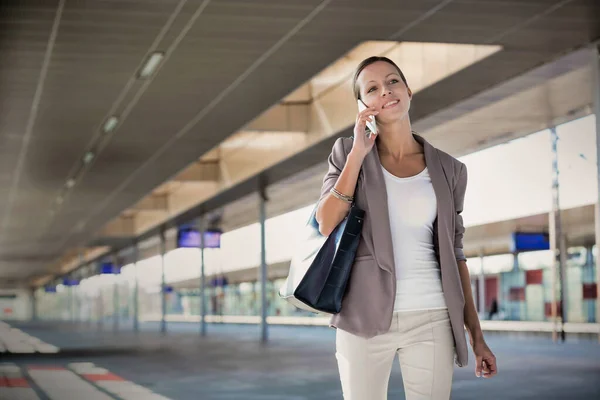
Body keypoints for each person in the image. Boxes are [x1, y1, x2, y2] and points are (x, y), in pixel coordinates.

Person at [315, 56, 497, 400]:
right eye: (372, 88)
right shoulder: (345, 153)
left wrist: (476, 336)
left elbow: (456, 255)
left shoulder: (450, 170)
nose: (386, 91)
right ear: (363, 105)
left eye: (393, 81)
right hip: (362, 318)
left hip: (432, 317)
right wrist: (358, 153)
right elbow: (326, 223)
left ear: (409, 91)